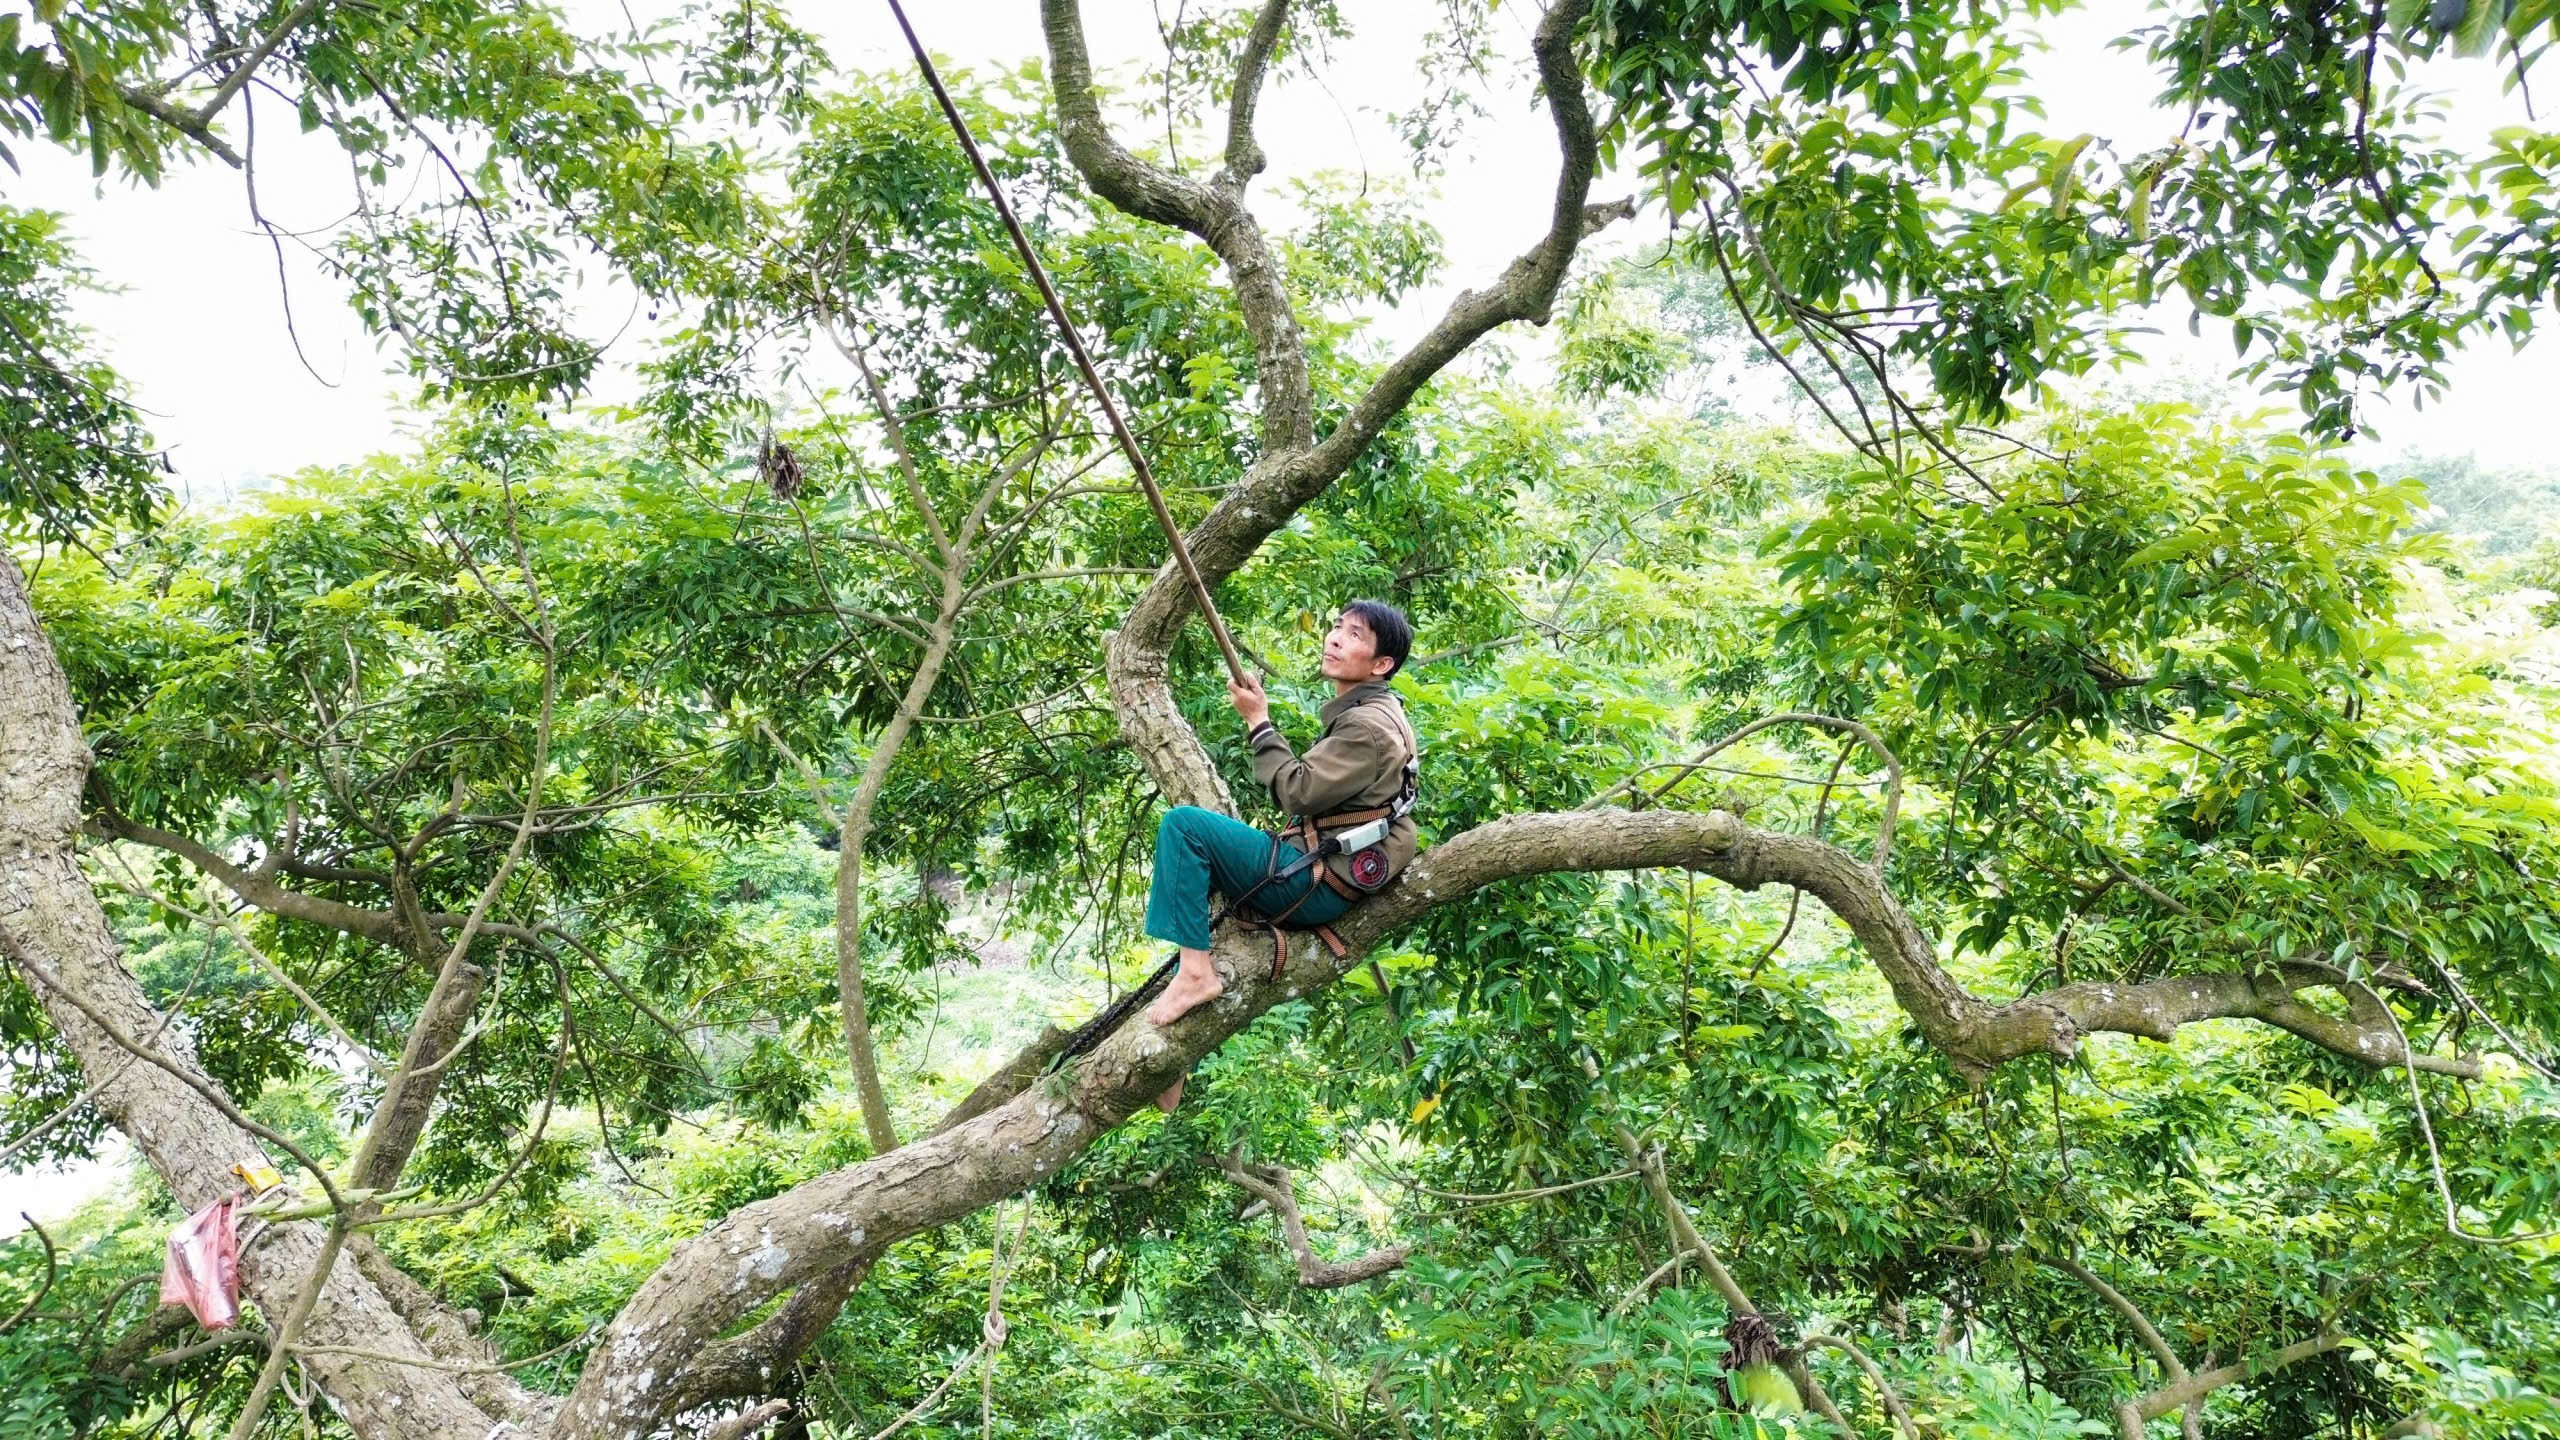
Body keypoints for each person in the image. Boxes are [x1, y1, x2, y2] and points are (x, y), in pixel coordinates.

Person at [1139, 600, 1421, 1110]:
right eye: (1336, 627)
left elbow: (1297, 791)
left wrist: (1259, 723)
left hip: (1310, 882)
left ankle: (1196, 974)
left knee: (1185, 829)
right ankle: (1176, 1055)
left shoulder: (1367, 728)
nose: (1335, 638)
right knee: (1204, 886)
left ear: (1382, 665)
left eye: (1354, 635)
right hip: (1322, 871)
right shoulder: (1375, 713)